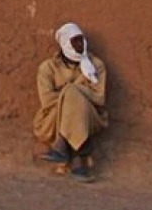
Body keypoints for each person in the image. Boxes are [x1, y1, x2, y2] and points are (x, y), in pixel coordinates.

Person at [34, 22, 107, 181]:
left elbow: (99, 98)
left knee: (73, 94)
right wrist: (71, 95)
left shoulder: (96, 66)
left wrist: (72, 91)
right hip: (53, 120)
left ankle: (62, 146)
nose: (81, 45)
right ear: (65, 44)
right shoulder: (48, 68)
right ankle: (79, 159)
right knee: (72, 95)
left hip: (91, 118)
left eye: (82, 40)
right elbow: (47, 100)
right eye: (76, 41)